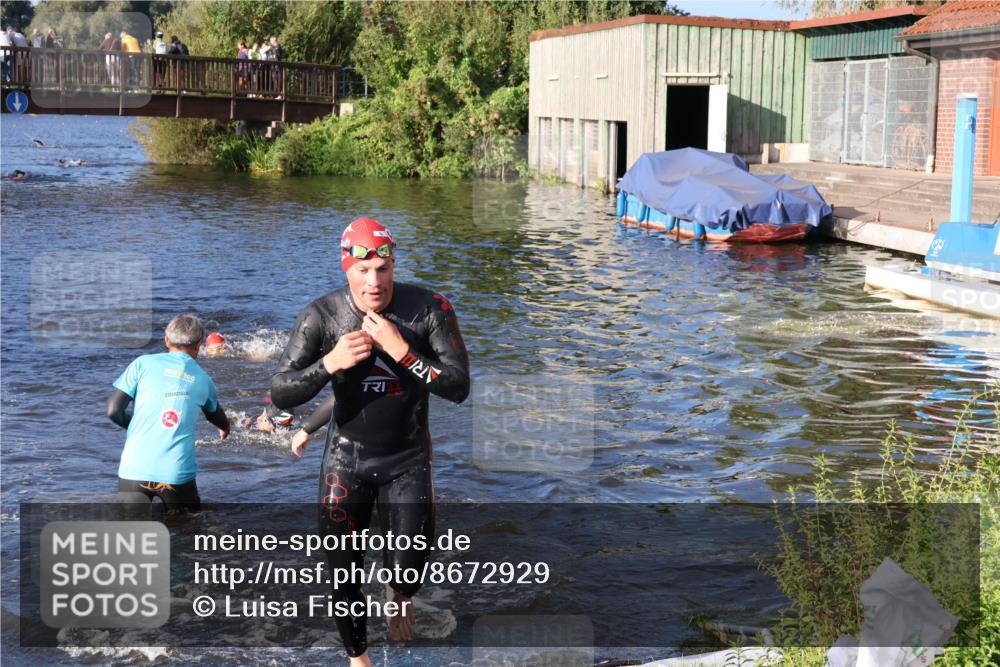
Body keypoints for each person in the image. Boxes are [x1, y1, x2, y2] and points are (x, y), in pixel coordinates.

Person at [270, 218, 470, 665]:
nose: (374, 281)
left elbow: (458, 387)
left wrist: (402, 352)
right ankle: (358, 657)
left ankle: (399, 591)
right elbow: (282, 390)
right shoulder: (320, 316)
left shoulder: (430, 308)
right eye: (363, 271)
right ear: (346, 269)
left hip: (407, 457)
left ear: (394, 263)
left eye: (382, 268)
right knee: (343, 572)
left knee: (408, 568)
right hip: (346, 459)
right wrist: (330, 364)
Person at [107, 314, 230, 512]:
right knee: (187, 533)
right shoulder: (203, 379)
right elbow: (215, 414)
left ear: (166, 340)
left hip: (133, 471)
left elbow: (113, 410)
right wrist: (225, 427)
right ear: (199, 345)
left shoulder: (142, 364)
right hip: (176, 475)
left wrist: (137, 426)